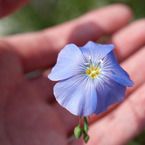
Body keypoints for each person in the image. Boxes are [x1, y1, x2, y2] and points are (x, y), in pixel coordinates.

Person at [0, 0, 145, 145]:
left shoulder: (98, 62)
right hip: (82, 69)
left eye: (93, 72)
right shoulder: (77, 59)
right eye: (92, 71)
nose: (93, 71)